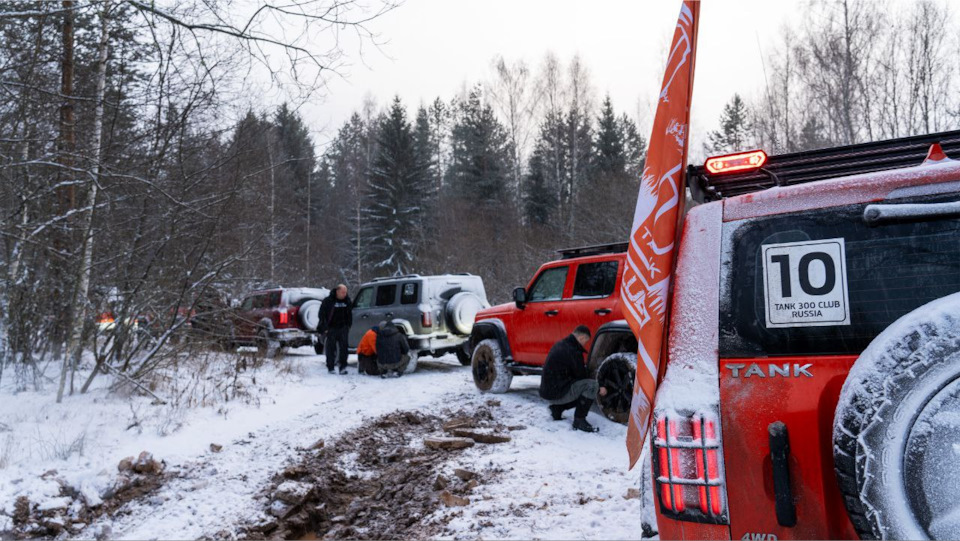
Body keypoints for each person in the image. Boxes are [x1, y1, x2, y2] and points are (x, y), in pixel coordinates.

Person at [539, 325, 608, 433]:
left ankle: (557, 409)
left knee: (581, 390)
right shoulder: (573, 350)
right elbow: (581, 376)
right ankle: (579, 420)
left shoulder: (562, 345)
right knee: (591, 387)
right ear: (581, 338)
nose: (585, 344)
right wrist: (599, 387)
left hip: (550, 391)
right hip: (556, 392)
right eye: (585, 341)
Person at [319, 284, 352, 374]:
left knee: (344, 349)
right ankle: (331, 367)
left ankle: (343, 367)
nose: (344, 294)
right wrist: (325, 327)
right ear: (337, 291)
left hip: (343, 328)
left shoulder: (347, 301)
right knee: (331, 349)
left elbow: (349, 314)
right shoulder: (328, 301)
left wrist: (348, 325)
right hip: (331, 328)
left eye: (345, 292)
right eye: (342, 292)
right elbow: (322, 315)